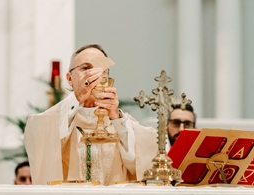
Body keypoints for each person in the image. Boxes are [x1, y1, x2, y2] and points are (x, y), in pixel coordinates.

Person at [23, 44, 157, 185]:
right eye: (86, 68)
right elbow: (37, 136)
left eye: (101, 71)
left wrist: (116, 118)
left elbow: (140, 161)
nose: (94, 75)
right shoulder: (59, 119)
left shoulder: (120, 121)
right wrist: (78, 96)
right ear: (69, 79)